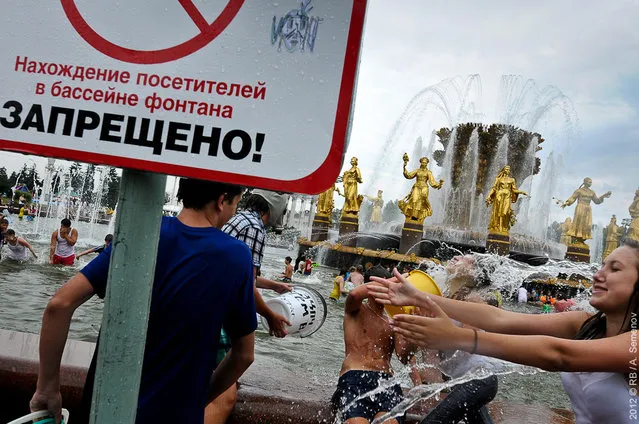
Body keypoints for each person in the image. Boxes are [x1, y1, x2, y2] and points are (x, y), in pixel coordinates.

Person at [30, 178, 256, 424]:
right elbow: (243, 355)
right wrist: (197, 400)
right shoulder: (236, 256)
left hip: (103, 411)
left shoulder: (139, 232)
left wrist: (47, 389)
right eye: (236, 205)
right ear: (222, 201)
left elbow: (59, 305)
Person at [370, 239, 639, 424]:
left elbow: (559, 355)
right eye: (602, 265)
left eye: (614, 269)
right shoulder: (586, 324)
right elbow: (499, 318)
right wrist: (419, 297)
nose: (598, 274)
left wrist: (458, 337)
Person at [206, 189, 292, 424]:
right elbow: (244, 285)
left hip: (205, 303)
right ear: (272, 209)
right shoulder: (254, 228)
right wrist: (269, 314)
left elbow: (245, 276)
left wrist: (274, 286)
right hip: (220, 313)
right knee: (223, 395)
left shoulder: (240, 219)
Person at [331, 267, 407, 424]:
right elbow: (353, 294)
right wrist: (394, 281)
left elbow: (403, 355)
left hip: (387, 380)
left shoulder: (393, 319)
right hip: (355, 377)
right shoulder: (356, 310)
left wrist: (410, 328)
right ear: (369, 287)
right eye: (382, 287)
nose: (385, 291)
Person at [416, 289, 498, 424]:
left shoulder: (472, 298)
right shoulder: (441, 295)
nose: (450, 266)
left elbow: (468, 345)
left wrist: (436, 329)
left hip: (480, 379)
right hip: (460, 382)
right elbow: (432, 359)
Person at [561, 177, 611, 244]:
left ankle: (583, 238)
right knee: (579, 223)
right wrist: (567, 203)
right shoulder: (579, 191)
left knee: (588, 225)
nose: (591, 183)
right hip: (580, 207)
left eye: (591, 182)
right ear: (585, 182)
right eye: (589, 182)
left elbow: (597, 201)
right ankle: (578, 239)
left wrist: (603, 196)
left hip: (588, 209)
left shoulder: (592, 192)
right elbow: (573, 198)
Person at [398, 154, 444, 223]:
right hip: (417, 186)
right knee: (414, 200)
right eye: (423, 162)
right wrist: (404, 166)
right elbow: (408, 175)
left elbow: (432, 182)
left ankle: (426, 210)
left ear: (427, 163)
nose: (424, 164)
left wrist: (439, 184)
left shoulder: (428, 172)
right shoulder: (417, 171)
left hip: (424, 187)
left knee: (423, 199)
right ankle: (412, 217)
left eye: (425, 163)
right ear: (421, 163)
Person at [485, 165, 528, 234]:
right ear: (504, 170)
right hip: (499, 196)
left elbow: (514, 190)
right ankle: (498, 227)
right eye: (506, 169)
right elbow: (494, 188)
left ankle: (504, 226)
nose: (508, 171)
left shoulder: (512, 180)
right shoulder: (498, 179)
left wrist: (522, 192)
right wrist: (489, 195)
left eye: (509, 169)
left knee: (505, 212)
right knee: (498, 212)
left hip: (507, 197)